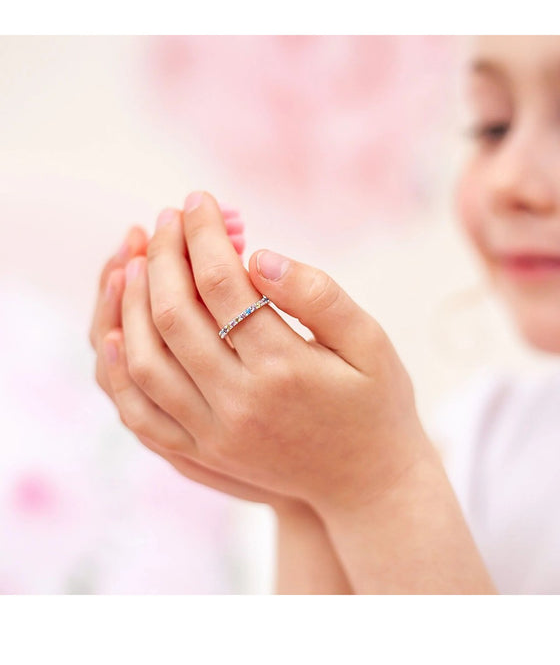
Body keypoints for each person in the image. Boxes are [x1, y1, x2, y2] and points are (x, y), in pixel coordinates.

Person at [88, 35, 560, 594]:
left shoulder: (420, 462)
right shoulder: (482, 435)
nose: (508, 181)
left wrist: (378, 485)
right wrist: (309, 490)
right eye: (494, 127)